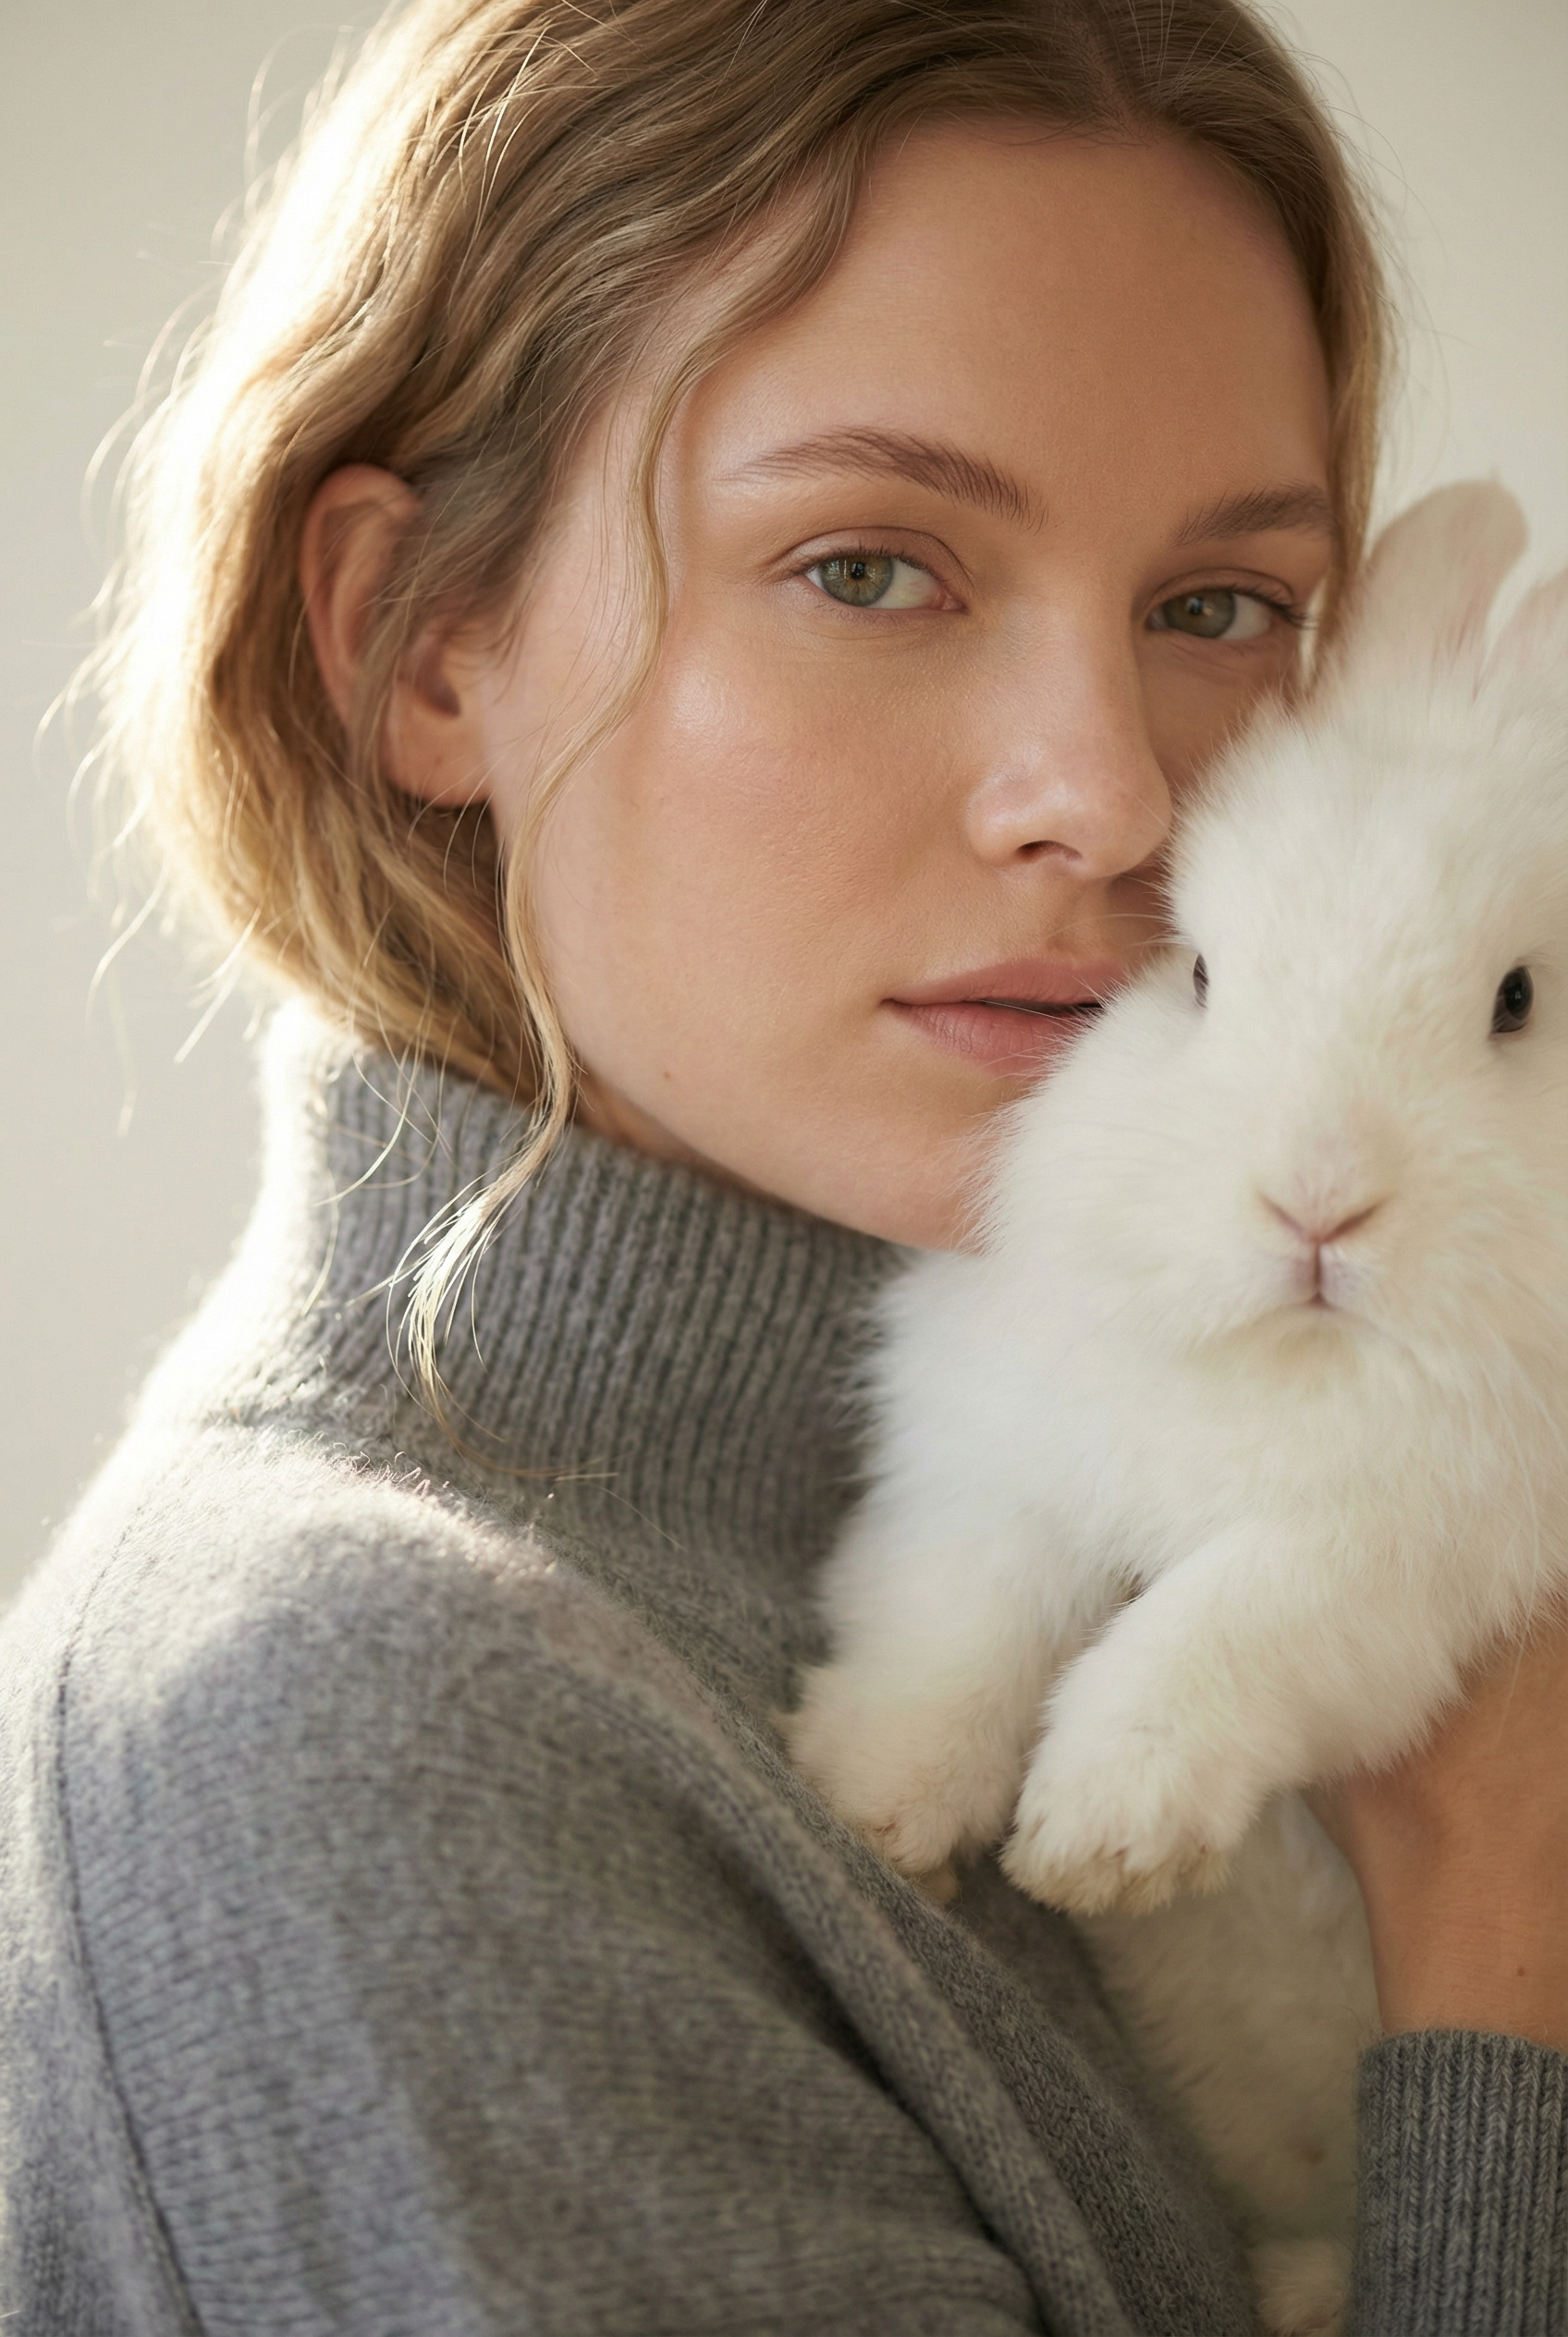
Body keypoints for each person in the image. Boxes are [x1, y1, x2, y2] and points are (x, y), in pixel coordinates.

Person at [3, 0, 1564, 2329]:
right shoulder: (369, 1723)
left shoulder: (1251, 1421)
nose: (1105, 796)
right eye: (866, 568)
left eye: (1212, 608)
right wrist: (1498, 1954)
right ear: (426, 644)